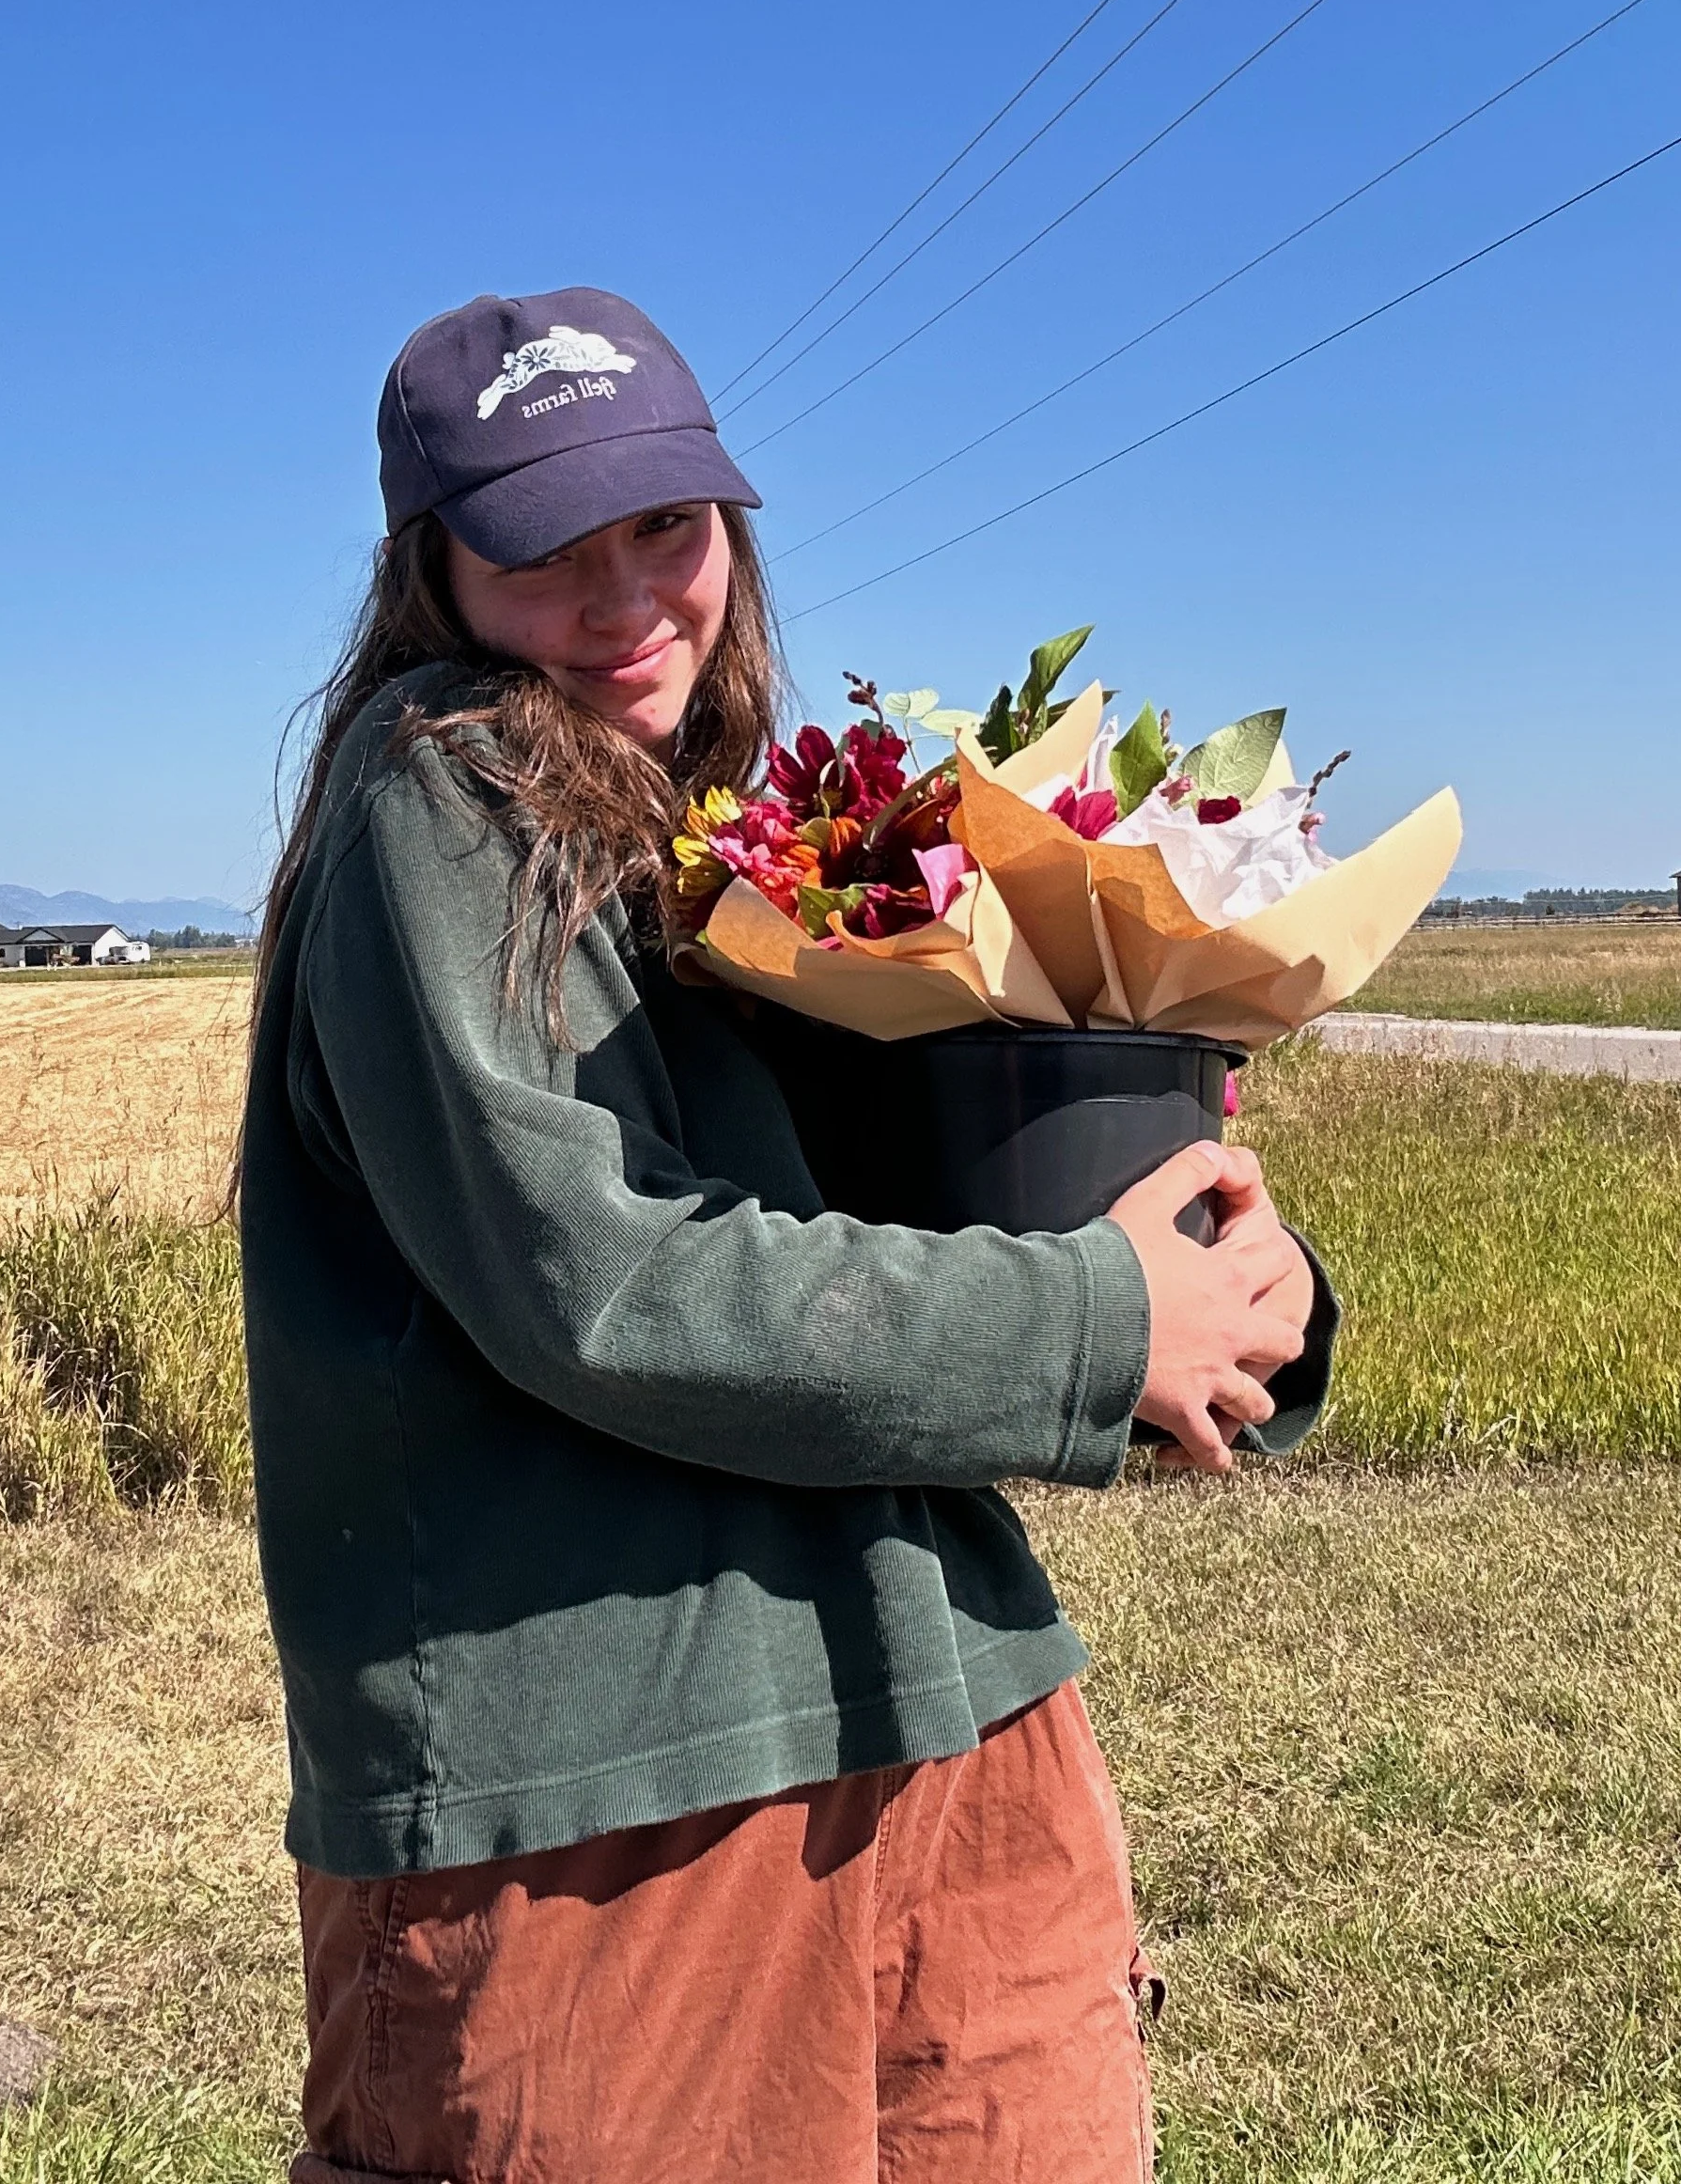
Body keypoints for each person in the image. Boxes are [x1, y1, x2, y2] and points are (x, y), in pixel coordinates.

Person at [239, 286, 1334, 2184]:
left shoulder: (741, 849)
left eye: (664, 524)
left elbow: (943, 1215)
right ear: (433, 570)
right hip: (619, 1802)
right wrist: (1095, 1325)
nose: (622, 594)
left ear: (732, 522)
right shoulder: (446, 780)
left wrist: (1233, 1284)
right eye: (542, 546)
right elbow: (610, 1277)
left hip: (949, 1708)